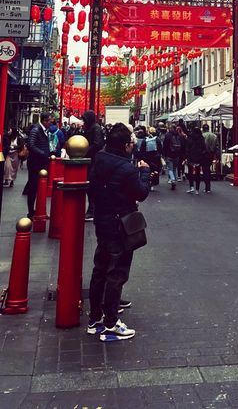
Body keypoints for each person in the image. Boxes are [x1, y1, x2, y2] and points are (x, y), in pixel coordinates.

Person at [87, 124, 150, 342]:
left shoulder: (99, 159)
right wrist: (145, 171)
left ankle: (95, 319)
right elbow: (141, 193)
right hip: (120, 224)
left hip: (102, 220)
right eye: (131, 144)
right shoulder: (127, 168)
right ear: (125, 145)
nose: (133, 147)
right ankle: (111, 323)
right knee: (117, 272)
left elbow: (92, 191)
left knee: (100, 268)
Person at [24, 113, 51, 220]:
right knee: (33, 187)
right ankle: (31, 212)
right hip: (36, 163)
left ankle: (37, 210)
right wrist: (43, 153)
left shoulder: (43, 130)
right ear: (44, 121)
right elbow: (31, 145)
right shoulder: (36, 130)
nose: (50, 122)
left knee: (39, 187)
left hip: (41, 162)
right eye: (49, 120)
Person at [82, 110, 105, 219]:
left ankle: (93, 209)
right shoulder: (91, 127)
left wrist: (86, 150)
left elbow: (97, 144)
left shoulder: (95, 128)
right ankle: (92, 208)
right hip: (90, 159)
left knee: (92, 185)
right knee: (90, 185)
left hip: (94, 160)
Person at [162, 123, 185, 191]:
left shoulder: (168, 135)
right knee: (174, 168)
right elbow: (182, 146)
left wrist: (164, 154)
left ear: (171, 128)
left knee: (170, 169)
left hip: (169, 154)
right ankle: (174, 180)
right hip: (177, 155)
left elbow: (165, 145)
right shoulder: (179, 135)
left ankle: (172, 180)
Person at [186, 126, 206, 194]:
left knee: (190, 172)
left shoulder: (190, 137)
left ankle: (191, 187)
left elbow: (187, 147)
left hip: (191, 157)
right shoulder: (201, 138)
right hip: (199, 157)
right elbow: (204, 148)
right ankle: (197, 189)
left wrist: (187, 155)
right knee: (198, 173)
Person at [201, 124, 218, 194]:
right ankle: (208, 187)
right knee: (208, 169)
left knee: (205, 170)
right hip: (211, 154)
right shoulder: (214, 136)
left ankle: (207, 186)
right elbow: (216, 147)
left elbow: (201, 146)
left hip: (204, 155)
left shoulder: (202, 136)